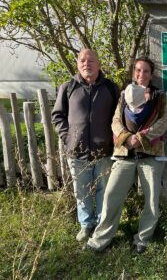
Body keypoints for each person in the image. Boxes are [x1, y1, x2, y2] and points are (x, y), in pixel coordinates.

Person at [86, 57, 167, 254]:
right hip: (125, 155)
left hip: (150, 155)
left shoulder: (160, 96)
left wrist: (139, 138)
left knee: (151, 200)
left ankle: (142, 239)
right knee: (111, 195)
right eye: (138, 70)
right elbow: (115, 120)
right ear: (134, 73)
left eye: (146, 71)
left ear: (151, 74)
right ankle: (100, 240)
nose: (141, 75)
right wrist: (126, 138)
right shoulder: (124, 95)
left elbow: (163, 122)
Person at [52, 49, 119, 242]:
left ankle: (101, 224)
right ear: (77, 64)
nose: (86, 64)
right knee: (82, 192)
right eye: (82, 60)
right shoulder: (68, 87)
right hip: (77, 152)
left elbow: (118, 117)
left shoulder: (110, 88)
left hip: (103, 151)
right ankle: (86, 224)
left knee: (103, 190)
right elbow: (57, 116)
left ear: (98, 64)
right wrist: (69, 138)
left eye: (91, 60)